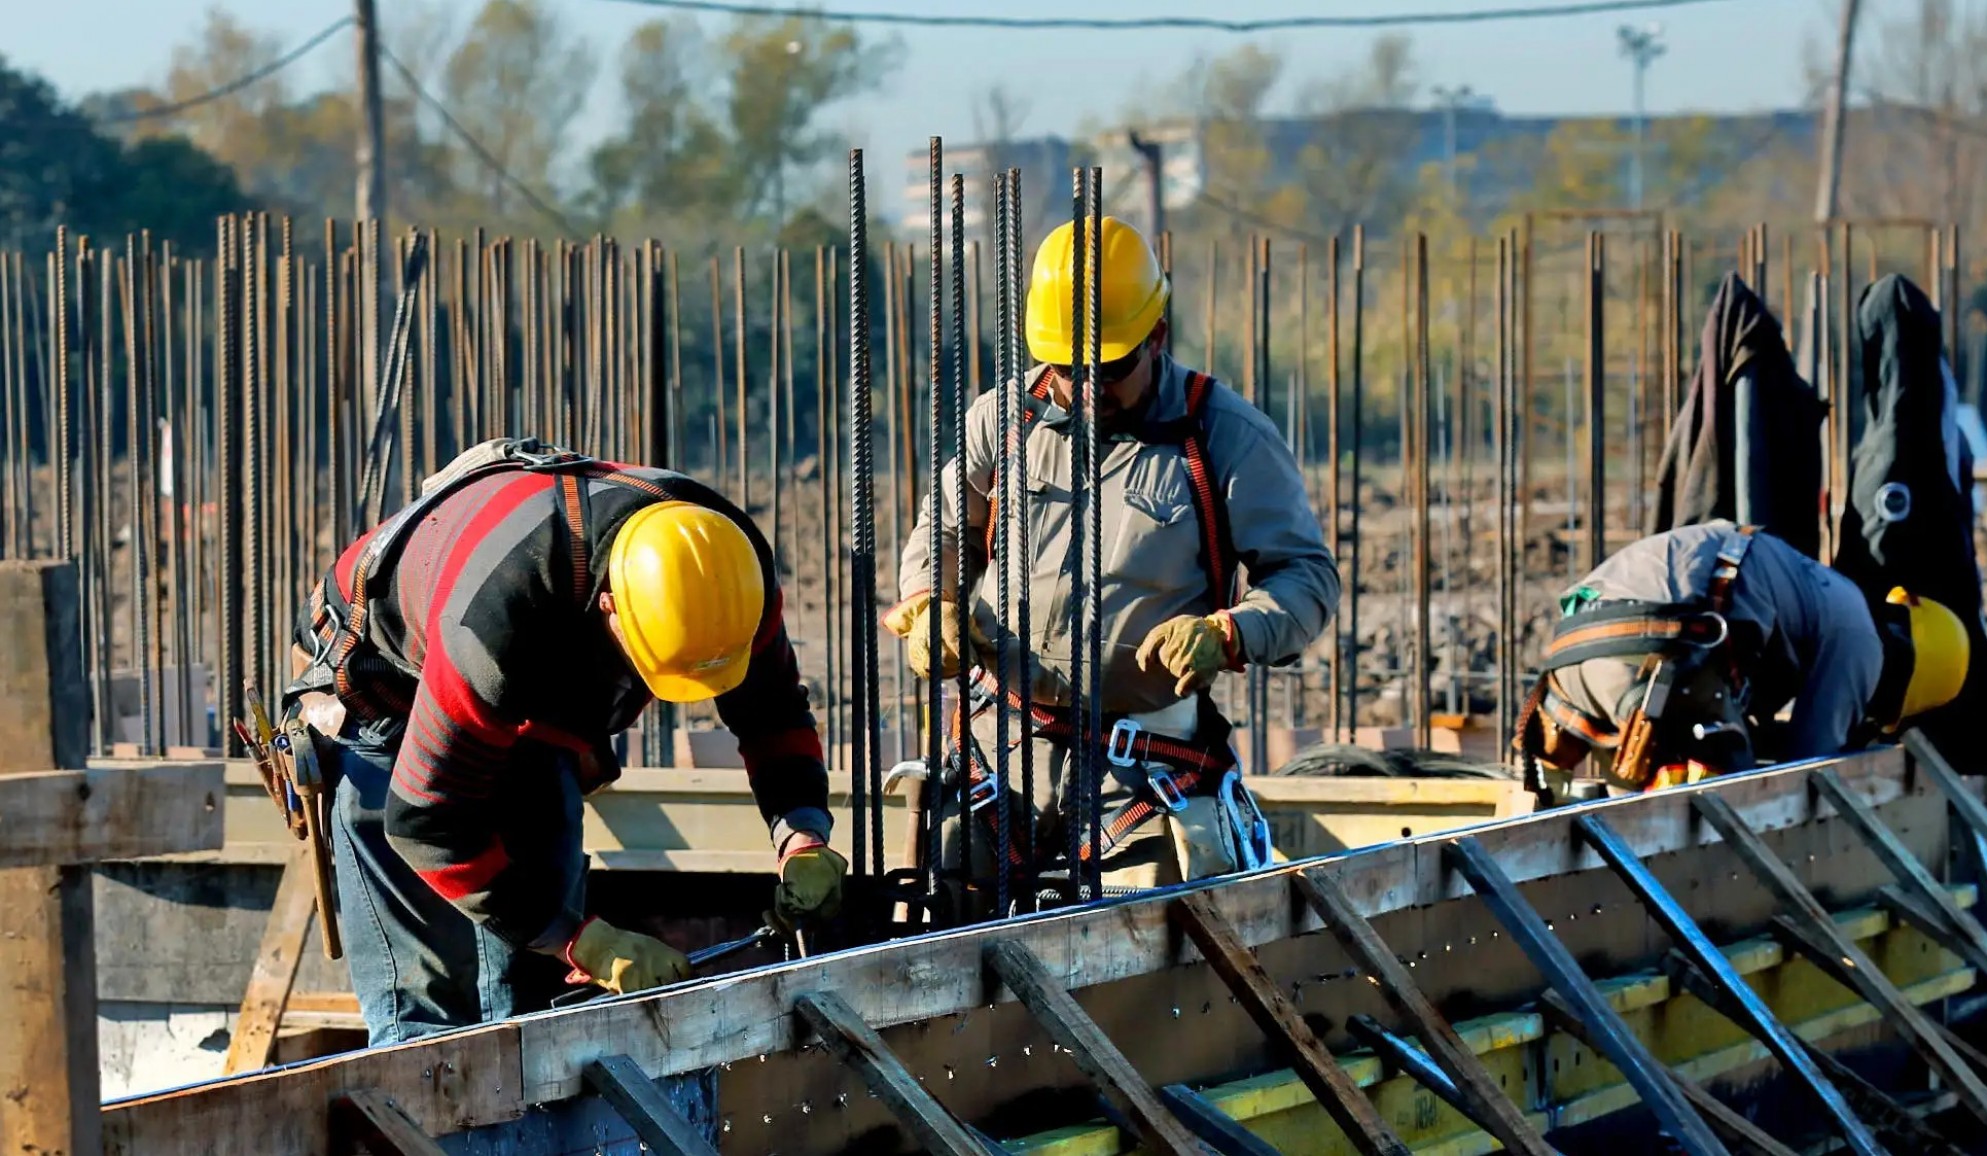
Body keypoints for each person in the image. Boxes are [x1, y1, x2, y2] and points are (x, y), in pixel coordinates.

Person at [283, 437, 845, 1045]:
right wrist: (583, 941)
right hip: (386, 691)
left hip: (527, 687)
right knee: (430, 1011)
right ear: (610, 607)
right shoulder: (497, 620)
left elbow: (774, 715)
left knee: (535, 997)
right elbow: (426, 821)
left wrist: (802, 836)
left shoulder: (728, 574)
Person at [886, 216, 1339, 910]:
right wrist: (928, 604)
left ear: (1157, 335)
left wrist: (1231, 631)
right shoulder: (1002, 420)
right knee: (942, 937)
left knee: (1142, 961)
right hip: (999, 757)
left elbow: (1306, 579)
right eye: (1068, 369)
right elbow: (942, 533)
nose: (1085, 387)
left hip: (1142, 770)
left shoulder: (1223, 436)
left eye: (1110, 368)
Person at [1519, 520, 1970, 793]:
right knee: (1742, 792)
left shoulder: (1819, 591)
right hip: (1658, 655)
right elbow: (1811, 765)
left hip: (1572, 651)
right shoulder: (1860, 641)